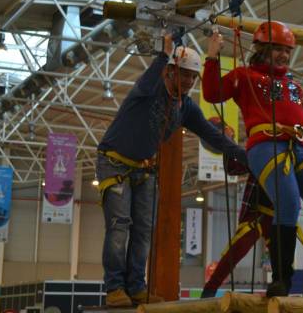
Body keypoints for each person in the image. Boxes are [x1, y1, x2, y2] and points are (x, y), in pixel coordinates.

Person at [97, 34, 250, 307]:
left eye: (193, 77)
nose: (190, 82)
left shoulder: (185, 107)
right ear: (169, 72)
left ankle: (135, 286)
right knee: (120, 226)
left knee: (144, 229)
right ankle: (115, 288)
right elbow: (149, 79)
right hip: (115, 163)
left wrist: (245, 156)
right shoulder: (147, 90)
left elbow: (213, 136)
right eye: (185, 75)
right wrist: (162, 54)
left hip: (143, 169)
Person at [203, 21, 303, 297]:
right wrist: (212, 57)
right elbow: (212, 93)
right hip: (265, 145)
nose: (284, 56)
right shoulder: (245, 76)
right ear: (262, 49)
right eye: (278, 49)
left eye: (287, 51)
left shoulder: (292, 85)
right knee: (287, 202)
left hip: (299, 145)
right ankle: (281, 280)